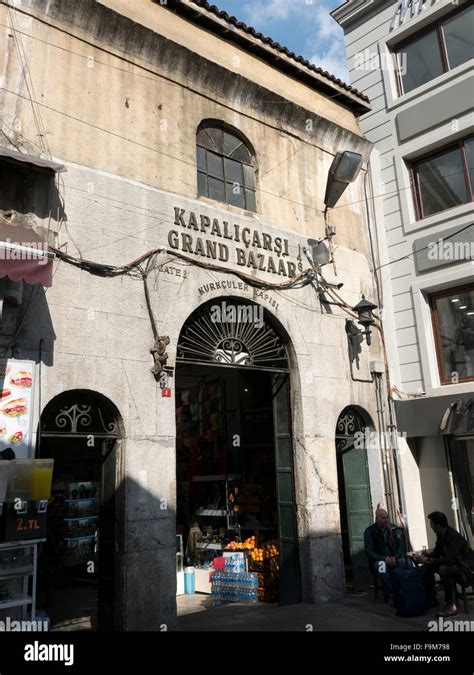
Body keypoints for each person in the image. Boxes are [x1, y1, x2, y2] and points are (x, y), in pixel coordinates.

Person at [414, 511, 474, 617]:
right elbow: (437, 552)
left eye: (431, 524)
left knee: (444, 569)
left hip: (466, 569)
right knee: (429, 567)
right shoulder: (441, 534)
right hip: (455, 566)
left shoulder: (453, 537)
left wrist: (428, 560)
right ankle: (431, 599)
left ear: (437, 525)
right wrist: (425, 558)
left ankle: (452, 605)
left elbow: (449, 560)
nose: (430, 526)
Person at [364, 508, 406, 604]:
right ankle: (390, 595)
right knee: (381, 568)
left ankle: (404, 591)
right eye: (383, 518)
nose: (386, 520)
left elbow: (401, 545)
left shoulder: (393, 528)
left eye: (387, 517)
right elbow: (369, 551)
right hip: (379, 560)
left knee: (405, 563)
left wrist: (396, 557)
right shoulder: (369, 531)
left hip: (394, 558)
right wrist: (384, 559)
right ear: (377, 518)